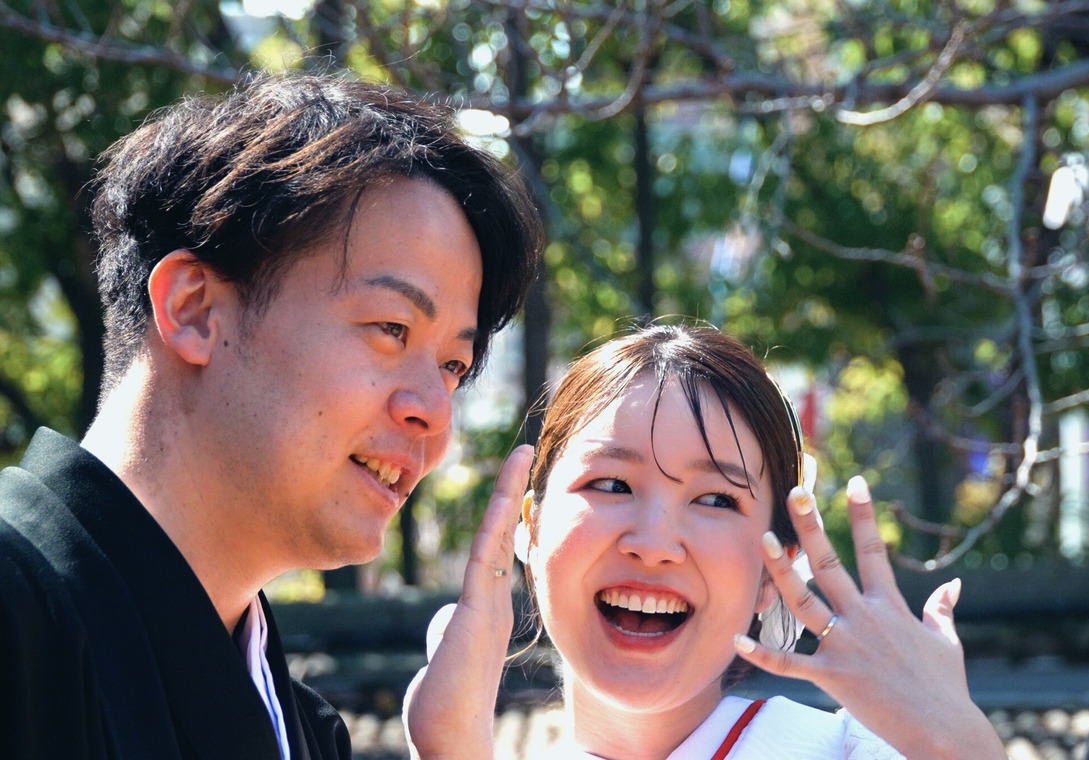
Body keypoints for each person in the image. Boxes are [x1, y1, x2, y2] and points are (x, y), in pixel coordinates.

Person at [0, 72, 542, 759]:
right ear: (195, 310)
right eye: (391, 328)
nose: (434, 414)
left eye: (452, 367)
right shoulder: (17, 615)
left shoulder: (300, 730)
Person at [404, 324, 1009, 759]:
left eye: (717, 499)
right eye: (612, 484)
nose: (655, 542)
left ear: (777, 573)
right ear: (528, 531)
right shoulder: (461, 747)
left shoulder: (851, 751)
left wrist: (957, 744)